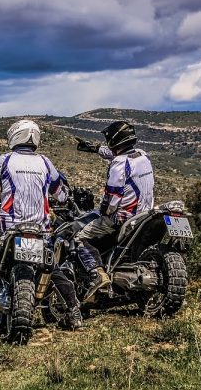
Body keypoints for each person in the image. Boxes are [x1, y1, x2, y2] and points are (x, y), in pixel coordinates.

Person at [0, 119, 81, 327]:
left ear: (14, 136)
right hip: (40, 229)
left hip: (8, 227)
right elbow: (60, 195)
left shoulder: (5, 160)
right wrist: (62, 199)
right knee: (53, 266)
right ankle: (74, 311)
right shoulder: (45, 162)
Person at [74, 121, 155, 302]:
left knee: (80, 238)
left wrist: (103, 210)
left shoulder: (119, 164)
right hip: (145, 214)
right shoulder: (142, 155)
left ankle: (97, 275)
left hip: (122, 218)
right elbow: (116, 154)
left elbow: (112, 199)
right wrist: (95, 149)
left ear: (114, 140)